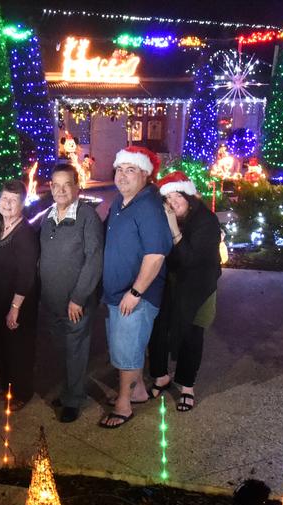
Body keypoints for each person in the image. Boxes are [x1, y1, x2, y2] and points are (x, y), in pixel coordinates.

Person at [99, 146, 171, 429]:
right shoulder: (121, 202)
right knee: (127, 346)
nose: (123, 176)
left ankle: (124, 404)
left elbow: (155, 256)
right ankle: (138, 391)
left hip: (136, 296)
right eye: (119, 169)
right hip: (118, 293)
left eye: (131, 170)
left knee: (126, 350)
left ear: (145, 174)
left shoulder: (149, 206)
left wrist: (136, 292)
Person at [149, 171, 222, 412]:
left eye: (175, 196)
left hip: (199, 286)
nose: (171, 203)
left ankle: (187, 385)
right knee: (159, 328)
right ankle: (160, 375)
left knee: (192, 333)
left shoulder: (206, 221)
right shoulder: (164, 217)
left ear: (187, 195)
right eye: (167, 199)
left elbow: (190, 260)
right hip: (171, 283)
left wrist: (173, 228)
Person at [39, 162, 103, 423]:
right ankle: (69, 392)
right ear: (51, 187)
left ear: (77, 186)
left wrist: (79, 298)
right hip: (52, 301)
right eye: (57, 185)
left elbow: (94, 258)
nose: (62, 190)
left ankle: (74, 400)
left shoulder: (87, 216)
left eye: (68, 185)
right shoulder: (48, 216)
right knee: (62, 350)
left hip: (76, 302)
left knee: (75, 349)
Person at [0, 179, 39, 409]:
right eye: (4, 198)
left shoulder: (24, 233)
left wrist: (15, 308)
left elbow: (27, 274)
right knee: (2, 345)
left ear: (22, 203)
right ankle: (6, 385)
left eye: (13, 200)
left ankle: (22, 393)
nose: (7, 204)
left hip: (18, 302)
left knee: (19, 348)